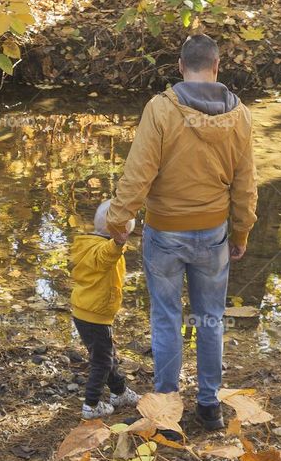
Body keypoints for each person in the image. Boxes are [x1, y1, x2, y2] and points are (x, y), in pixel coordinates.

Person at [106, 34, 257, 432]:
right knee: (210, 318)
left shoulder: (160, 110)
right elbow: (245, 184)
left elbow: (138, 174)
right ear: (217, 66)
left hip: (165, 234)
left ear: (179, 66)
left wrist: (118, 221)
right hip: (213, 234)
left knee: (167, 318)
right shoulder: (239, 116)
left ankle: (168, 403)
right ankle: (209, 406)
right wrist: (241, 230)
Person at [70, 200, 140, 419]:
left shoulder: (87, 243)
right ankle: (91, 405)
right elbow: (105, 256)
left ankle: (118, 391)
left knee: (106, 354)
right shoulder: (105, 250)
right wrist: (117, 244)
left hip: (85, 311)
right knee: (102, 360)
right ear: (120, 233)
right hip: (95, 315)